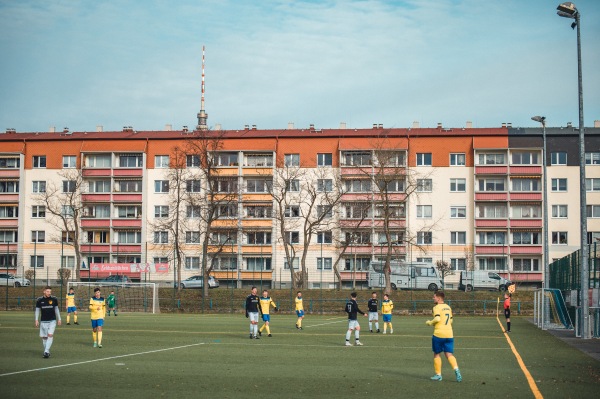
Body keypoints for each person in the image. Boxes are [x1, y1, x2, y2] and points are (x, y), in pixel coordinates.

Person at [425, 291, 462, 382]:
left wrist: (430, 323)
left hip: (439, 334)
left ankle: (438, 375)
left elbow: (437, 318)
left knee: (437, 354)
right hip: (449, 334)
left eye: (434, 297)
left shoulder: (436, 307)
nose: (433, 298)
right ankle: (457, 370)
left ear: (438, 298)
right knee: (449, 354)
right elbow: (451, 321)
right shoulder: (448, 307)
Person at [35, 286, 61, 358]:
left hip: (52, 320)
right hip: (43, 321)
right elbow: (37, 310)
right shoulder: (39, 300)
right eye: (47, 291)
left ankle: (46, 351)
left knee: (50, 335)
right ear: (44, 291)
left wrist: (59, 318)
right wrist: (36, 320)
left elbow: (56, 309)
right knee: (44, 337)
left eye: (50, 292)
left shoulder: (54, 299)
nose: (49, 293)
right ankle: (47, 351)